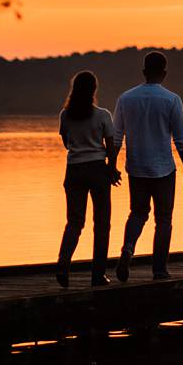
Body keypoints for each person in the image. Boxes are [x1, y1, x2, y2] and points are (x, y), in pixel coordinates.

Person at [113, 50, 183, 281]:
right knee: (164, 219)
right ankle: (159, 269)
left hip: (136, 167)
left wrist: (112, 165)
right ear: (164, 73)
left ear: (144, 72)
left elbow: (116, 136)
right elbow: (180, 139)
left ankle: (128, 248)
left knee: (137, 213)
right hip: (164, 169)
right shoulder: (172, 99)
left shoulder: (125, 99)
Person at [55, 69, 120, 288]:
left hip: (73, 170)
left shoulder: (65, 115)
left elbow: (66, 142)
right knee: (102, 224)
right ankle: (97, 275)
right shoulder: (103, 115)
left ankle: (63, 264)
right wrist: (113, 169)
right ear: (94, 90)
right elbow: (111, 148)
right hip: (97, 170)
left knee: (74, 222)